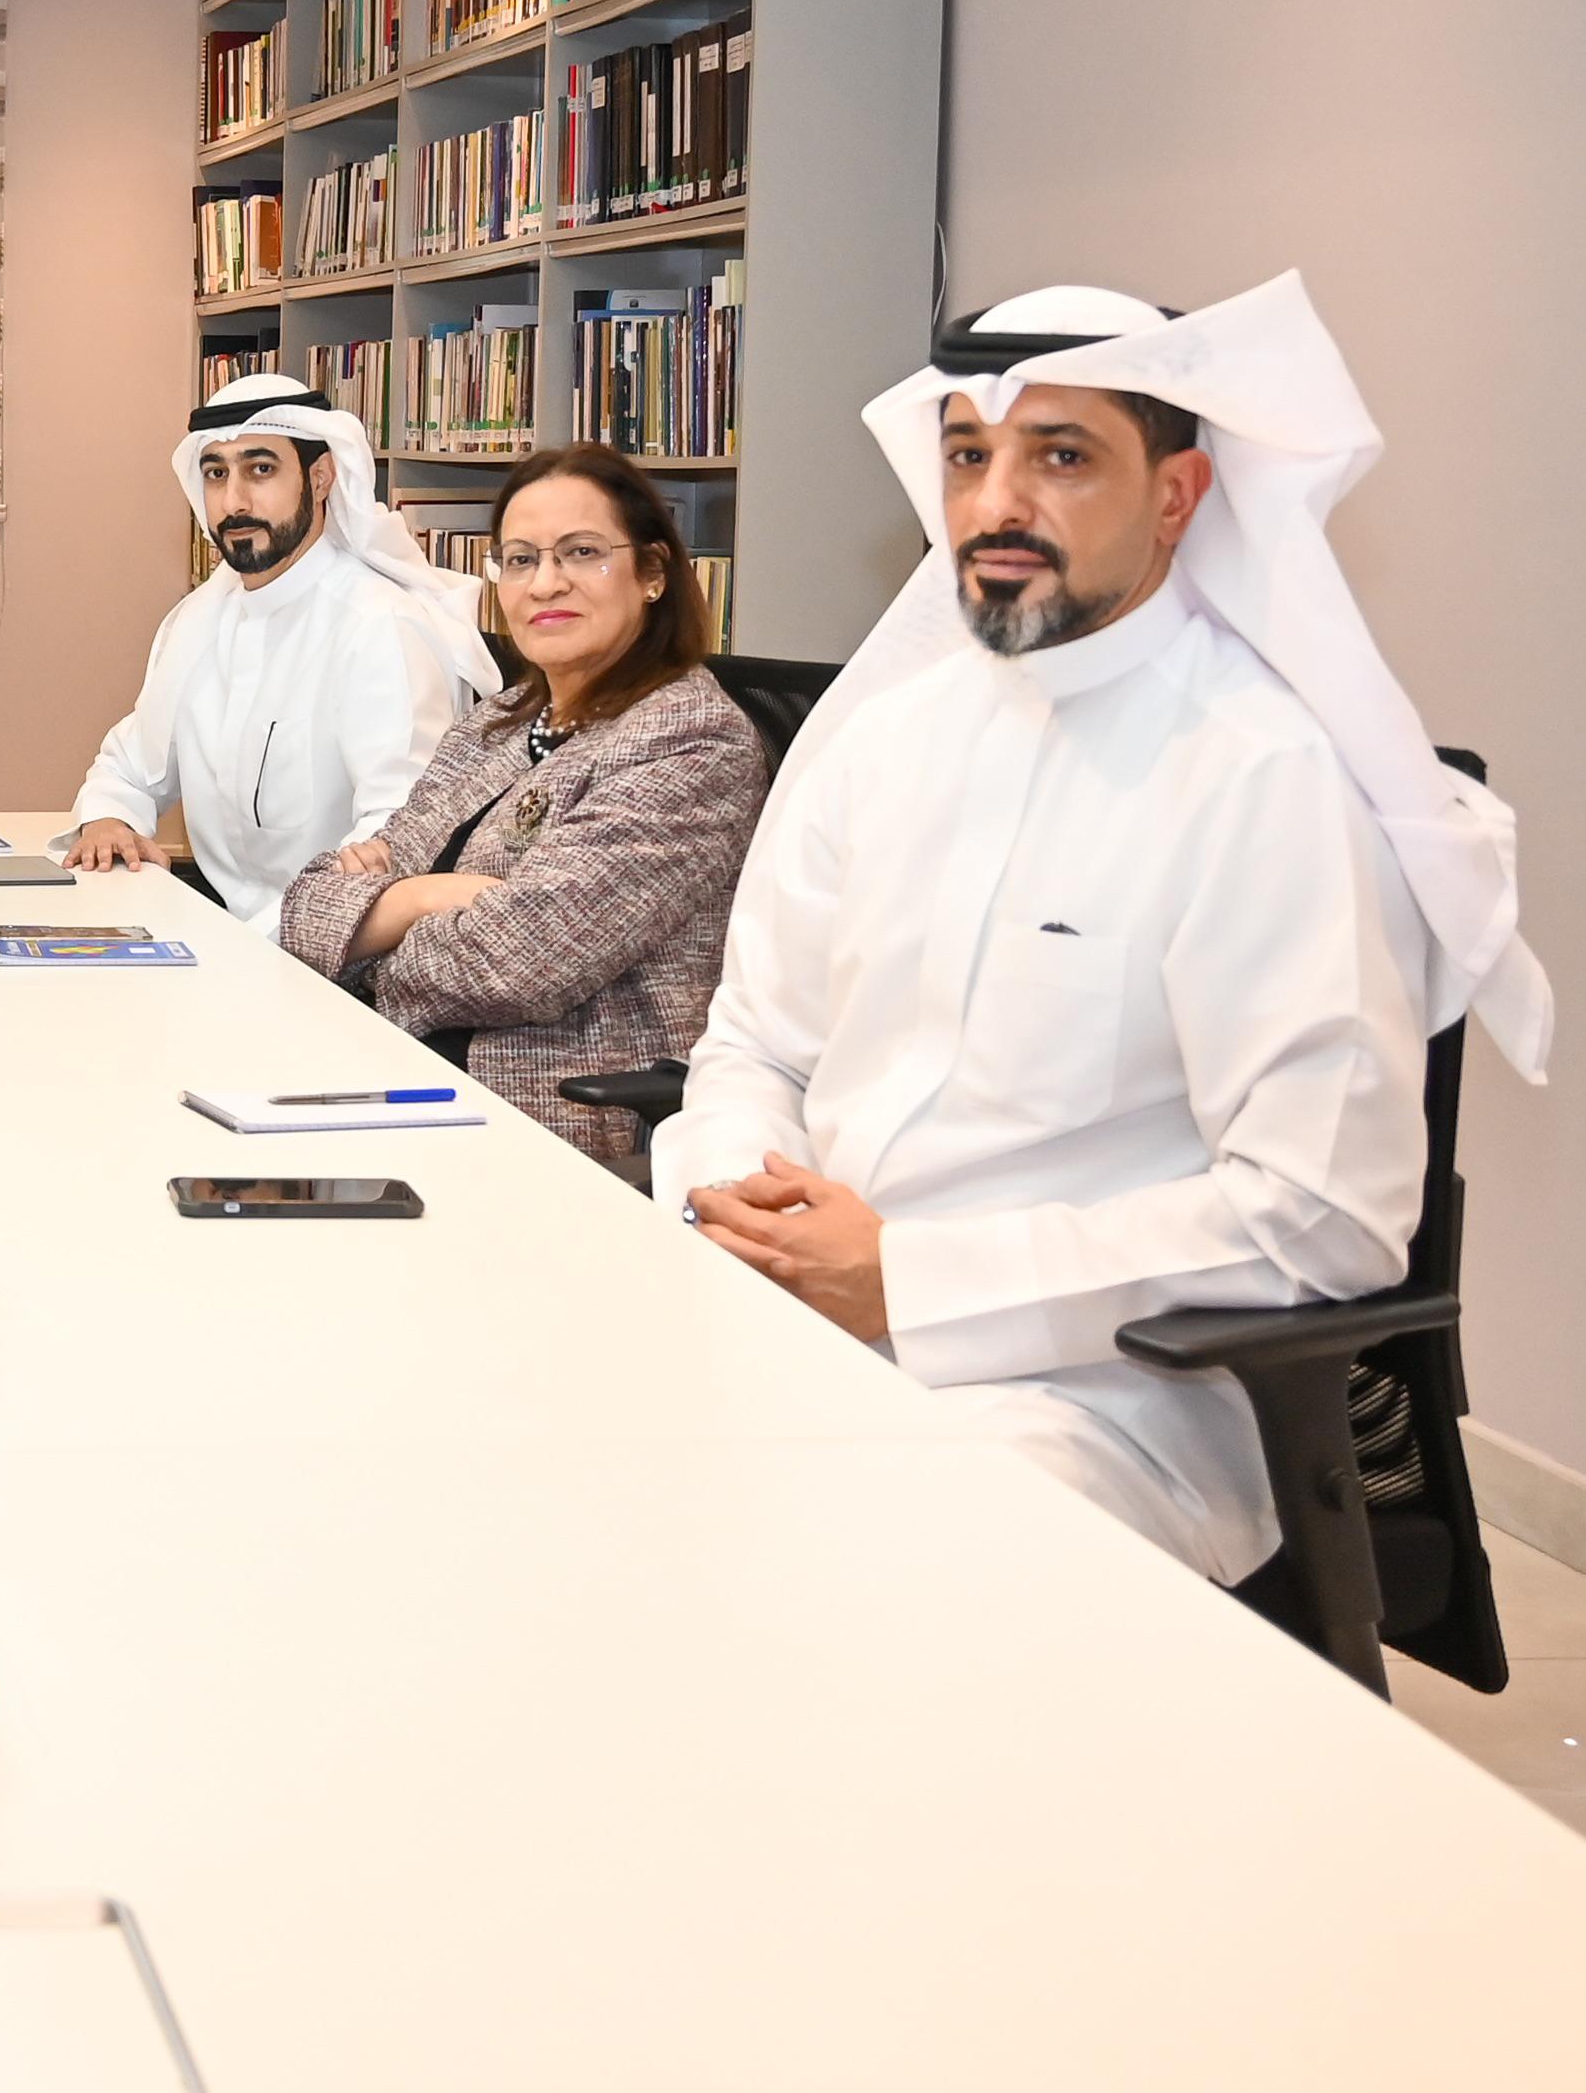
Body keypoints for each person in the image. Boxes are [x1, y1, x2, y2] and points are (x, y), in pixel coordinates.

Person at [654, 277, 1552, 1582]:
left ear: (1177, 496)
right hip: (803, 1325)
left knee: (856, 1570)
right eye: (969, 455)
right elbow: (754, 1044)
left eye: (1060, 456)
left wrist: (910, 1278)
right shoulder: (881, 739)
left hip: (1094, 1401)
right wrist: (741, 1206)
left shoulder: (1259, 777)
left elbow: (1320, 1214)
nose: (995, 503)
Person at [276, 444, 765, 1156]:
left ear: (653, 573)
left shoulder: (691, 738)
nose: (545, 583)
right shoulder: (500, 723)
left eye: (582, 553)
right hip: (402, 1072)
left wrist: (367, 934)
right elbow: (306, 906)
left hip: (545, 1117)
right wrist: (423, 898)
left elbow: (514, 964)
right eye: (520, 559)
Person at [62, 372, 492, 932]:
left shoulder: (380, 627)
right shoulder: (201, 617)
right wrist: (109, 823)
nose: (233, 502)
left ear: (320, 478)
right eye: (216, 474)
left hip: (334, 953)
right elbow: (130, 764)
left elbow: (395, 841)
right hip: (222, 937)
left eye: (260, 470)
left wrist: (254, 945)